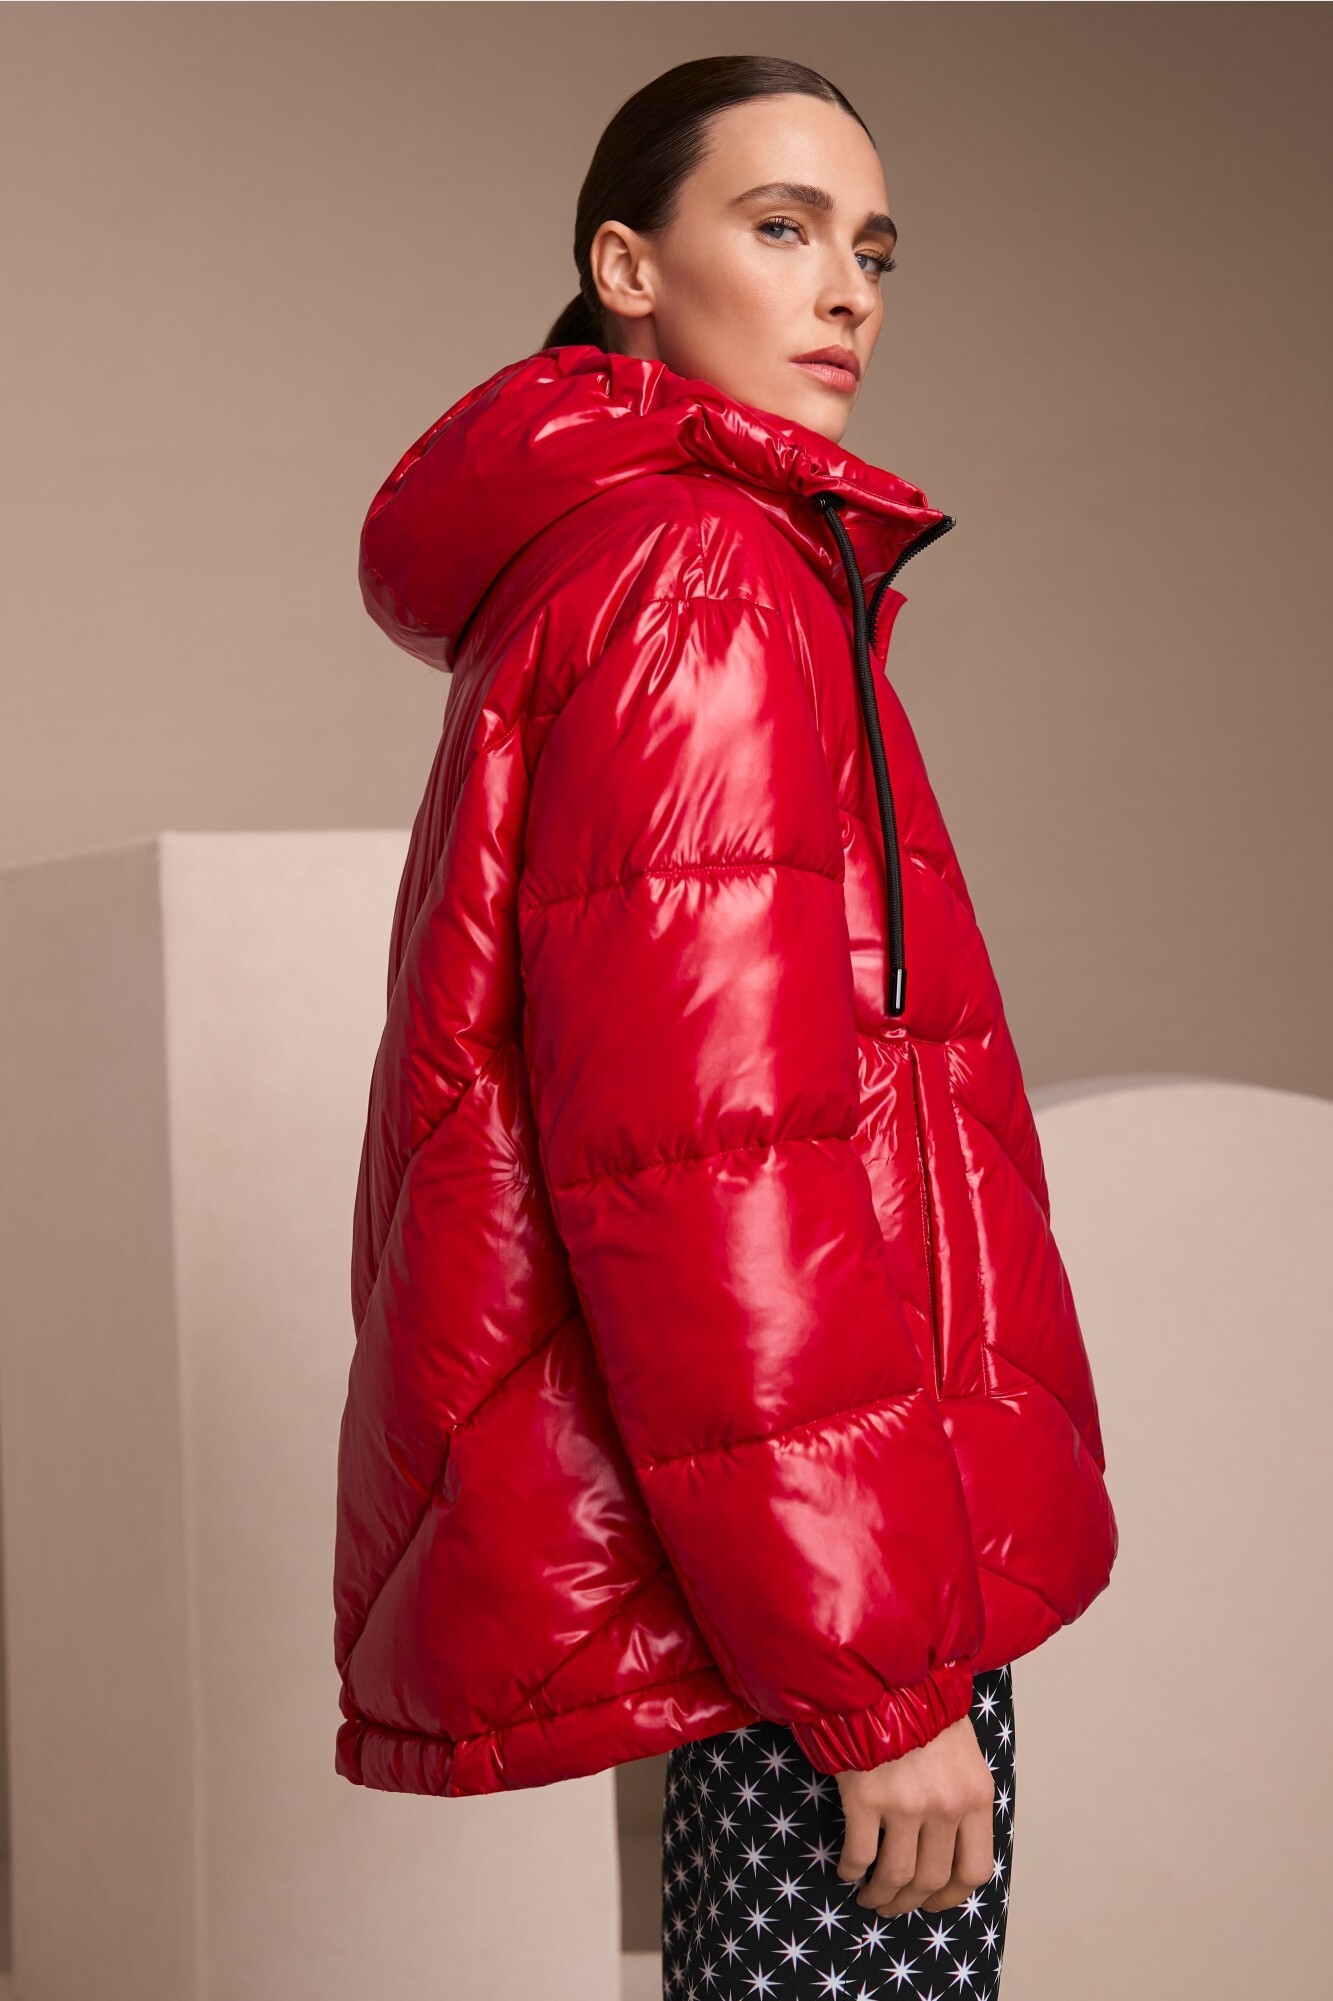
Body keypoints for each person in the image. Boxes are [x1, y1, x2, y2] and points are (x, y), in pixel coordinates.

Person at [333, 53, 1118, 2000]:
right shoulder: (700, 575)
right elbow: (706, 1177)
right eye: (780, 228)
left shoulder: (631, 561)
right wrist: (876, 1676)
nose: (844, 289)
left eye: (872, 249)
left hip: (797, 1547)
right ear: (626, 266)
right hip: (831, 1581)